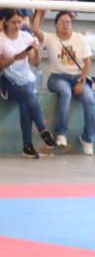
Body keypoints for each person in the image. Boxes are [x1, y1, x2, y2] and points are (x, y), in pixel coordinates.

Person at [0, 8, 55, 159]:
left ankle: (28, 146)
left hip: (25, 80)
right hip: (6, 80)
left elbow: (36, 62)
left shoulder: (26, 37)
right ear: (5, 22)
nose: (17, 25)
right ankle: (42, 129)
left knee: (25, 101)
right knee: (28, 94)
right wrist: (15, 57)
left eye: (19, 22)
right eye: (13, 22)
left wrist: (36, 50)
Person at [41, 11, 94, 154]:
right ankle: (61, 133)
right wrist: (39, 12)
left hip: (78, 77)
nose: (65, 24)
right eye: (62, 22)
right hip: (58, 77)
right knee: (66, 93)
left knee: (90, 100)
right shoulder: (50, 38)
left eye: (68, 22)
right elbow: (35, 30)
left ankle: (87, 138)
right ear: (55, 24)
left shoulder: (79, 38)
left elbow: (87, 62)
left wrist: (82, 81)